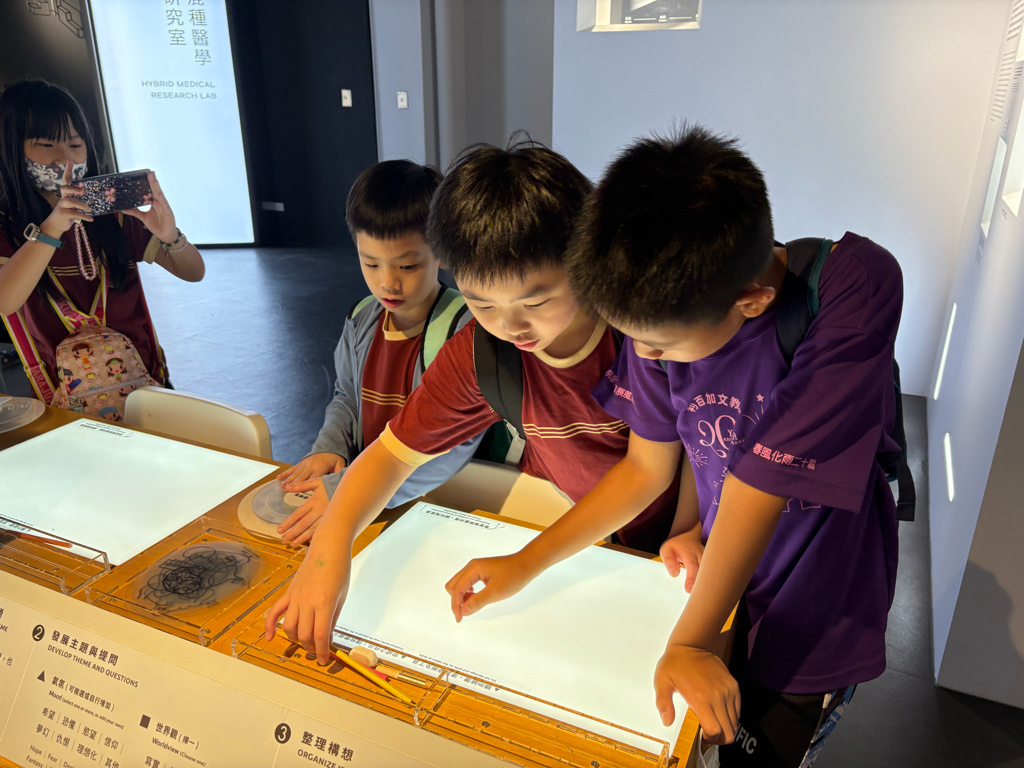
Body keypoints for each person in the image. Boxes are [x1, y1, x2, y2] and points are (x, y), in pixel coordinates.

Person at [444, 126, 902, 768]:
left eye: (656, 345)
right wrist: (530, 561)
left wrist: (690, 641)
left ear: (753, 301)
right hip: (713, 593)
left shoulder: (852, 286)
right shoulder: (658, 309)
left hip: (810, 612)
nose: (644, 355)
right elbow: (650, 463)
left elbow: (760, 478)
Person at [265, 140, 679, 657]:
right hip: (581, 538)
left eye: (536, 301)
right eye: (482, 303)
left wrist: (527, 561)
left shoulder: (641, 334)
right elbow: (390, 454)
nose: (511, 326)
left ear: (587, 260)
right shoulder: (482, 352)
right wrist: (328, 555)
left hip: (677, 541)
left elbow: (647, 471)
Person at [273, 159, 482, 544]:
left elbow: (454, 445)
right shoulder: (361, 319)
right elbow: (346, 397)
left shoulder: (464, 329)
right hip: (370, 501)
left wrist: (356, 491)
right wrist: (329, 447)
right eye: (370, 263)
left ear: (441, 252)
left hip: (437, 509)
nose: (387, 282)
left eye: (407, 265)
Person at [0, 80, 204, 400]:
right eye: (46, 144)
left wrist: (170, 236)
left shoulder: (114, 215)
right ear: (10, 148)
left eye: (75, 144)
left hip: (143, 382)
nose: (65, 158)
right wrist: (52, 228)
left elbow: (193, 272)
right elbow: (4, 301)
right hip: (62, 397)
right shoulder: (8, 226)